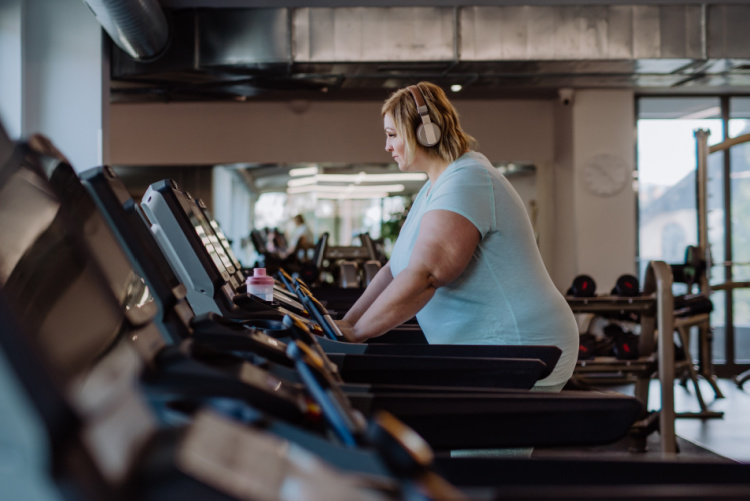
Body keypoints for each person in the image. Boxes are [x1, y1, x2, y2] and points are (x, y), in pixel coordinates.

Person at [334, 81, 578, 390]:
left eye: (392, 135)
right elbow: (395, 271)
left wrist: (358, 334)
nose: (387, 146)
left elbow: (427, 275)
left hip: (519, 348)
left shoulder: (468, 180)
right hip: (486, 351)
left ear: (426, 132)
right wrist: (347, 325)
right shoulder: (435, 186)